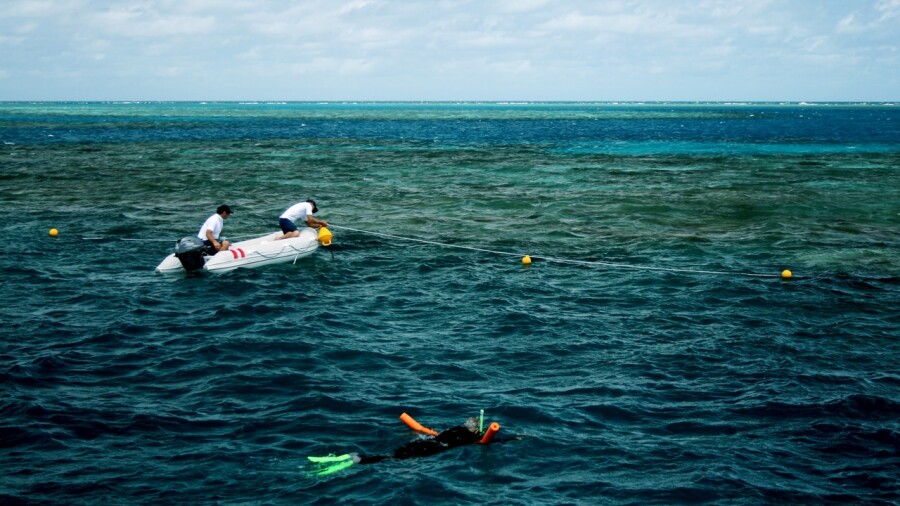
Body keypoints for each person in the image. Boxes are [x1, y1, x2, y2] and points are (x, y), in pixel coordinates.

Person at [308, 415, 517, 476]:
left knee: (389, 455)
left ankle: (353, 458)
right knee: (390, 460)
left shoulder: (452, 429)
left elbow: (430, 433)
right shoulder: (471, 439)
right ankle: (356, 460)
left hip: (425, 442)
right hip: (432, 450)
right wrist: (516, 438)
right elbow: (489, 442)